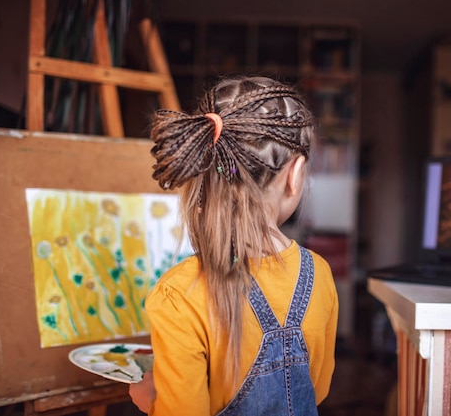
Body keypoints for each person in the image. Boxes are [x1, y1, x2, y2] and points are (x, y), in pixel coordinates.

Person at [129, 76, 339, 415]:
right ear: (296, 175)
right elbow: (319, 387)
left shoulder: (179, 294)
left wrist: (153, 399)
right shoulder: (320, 275)